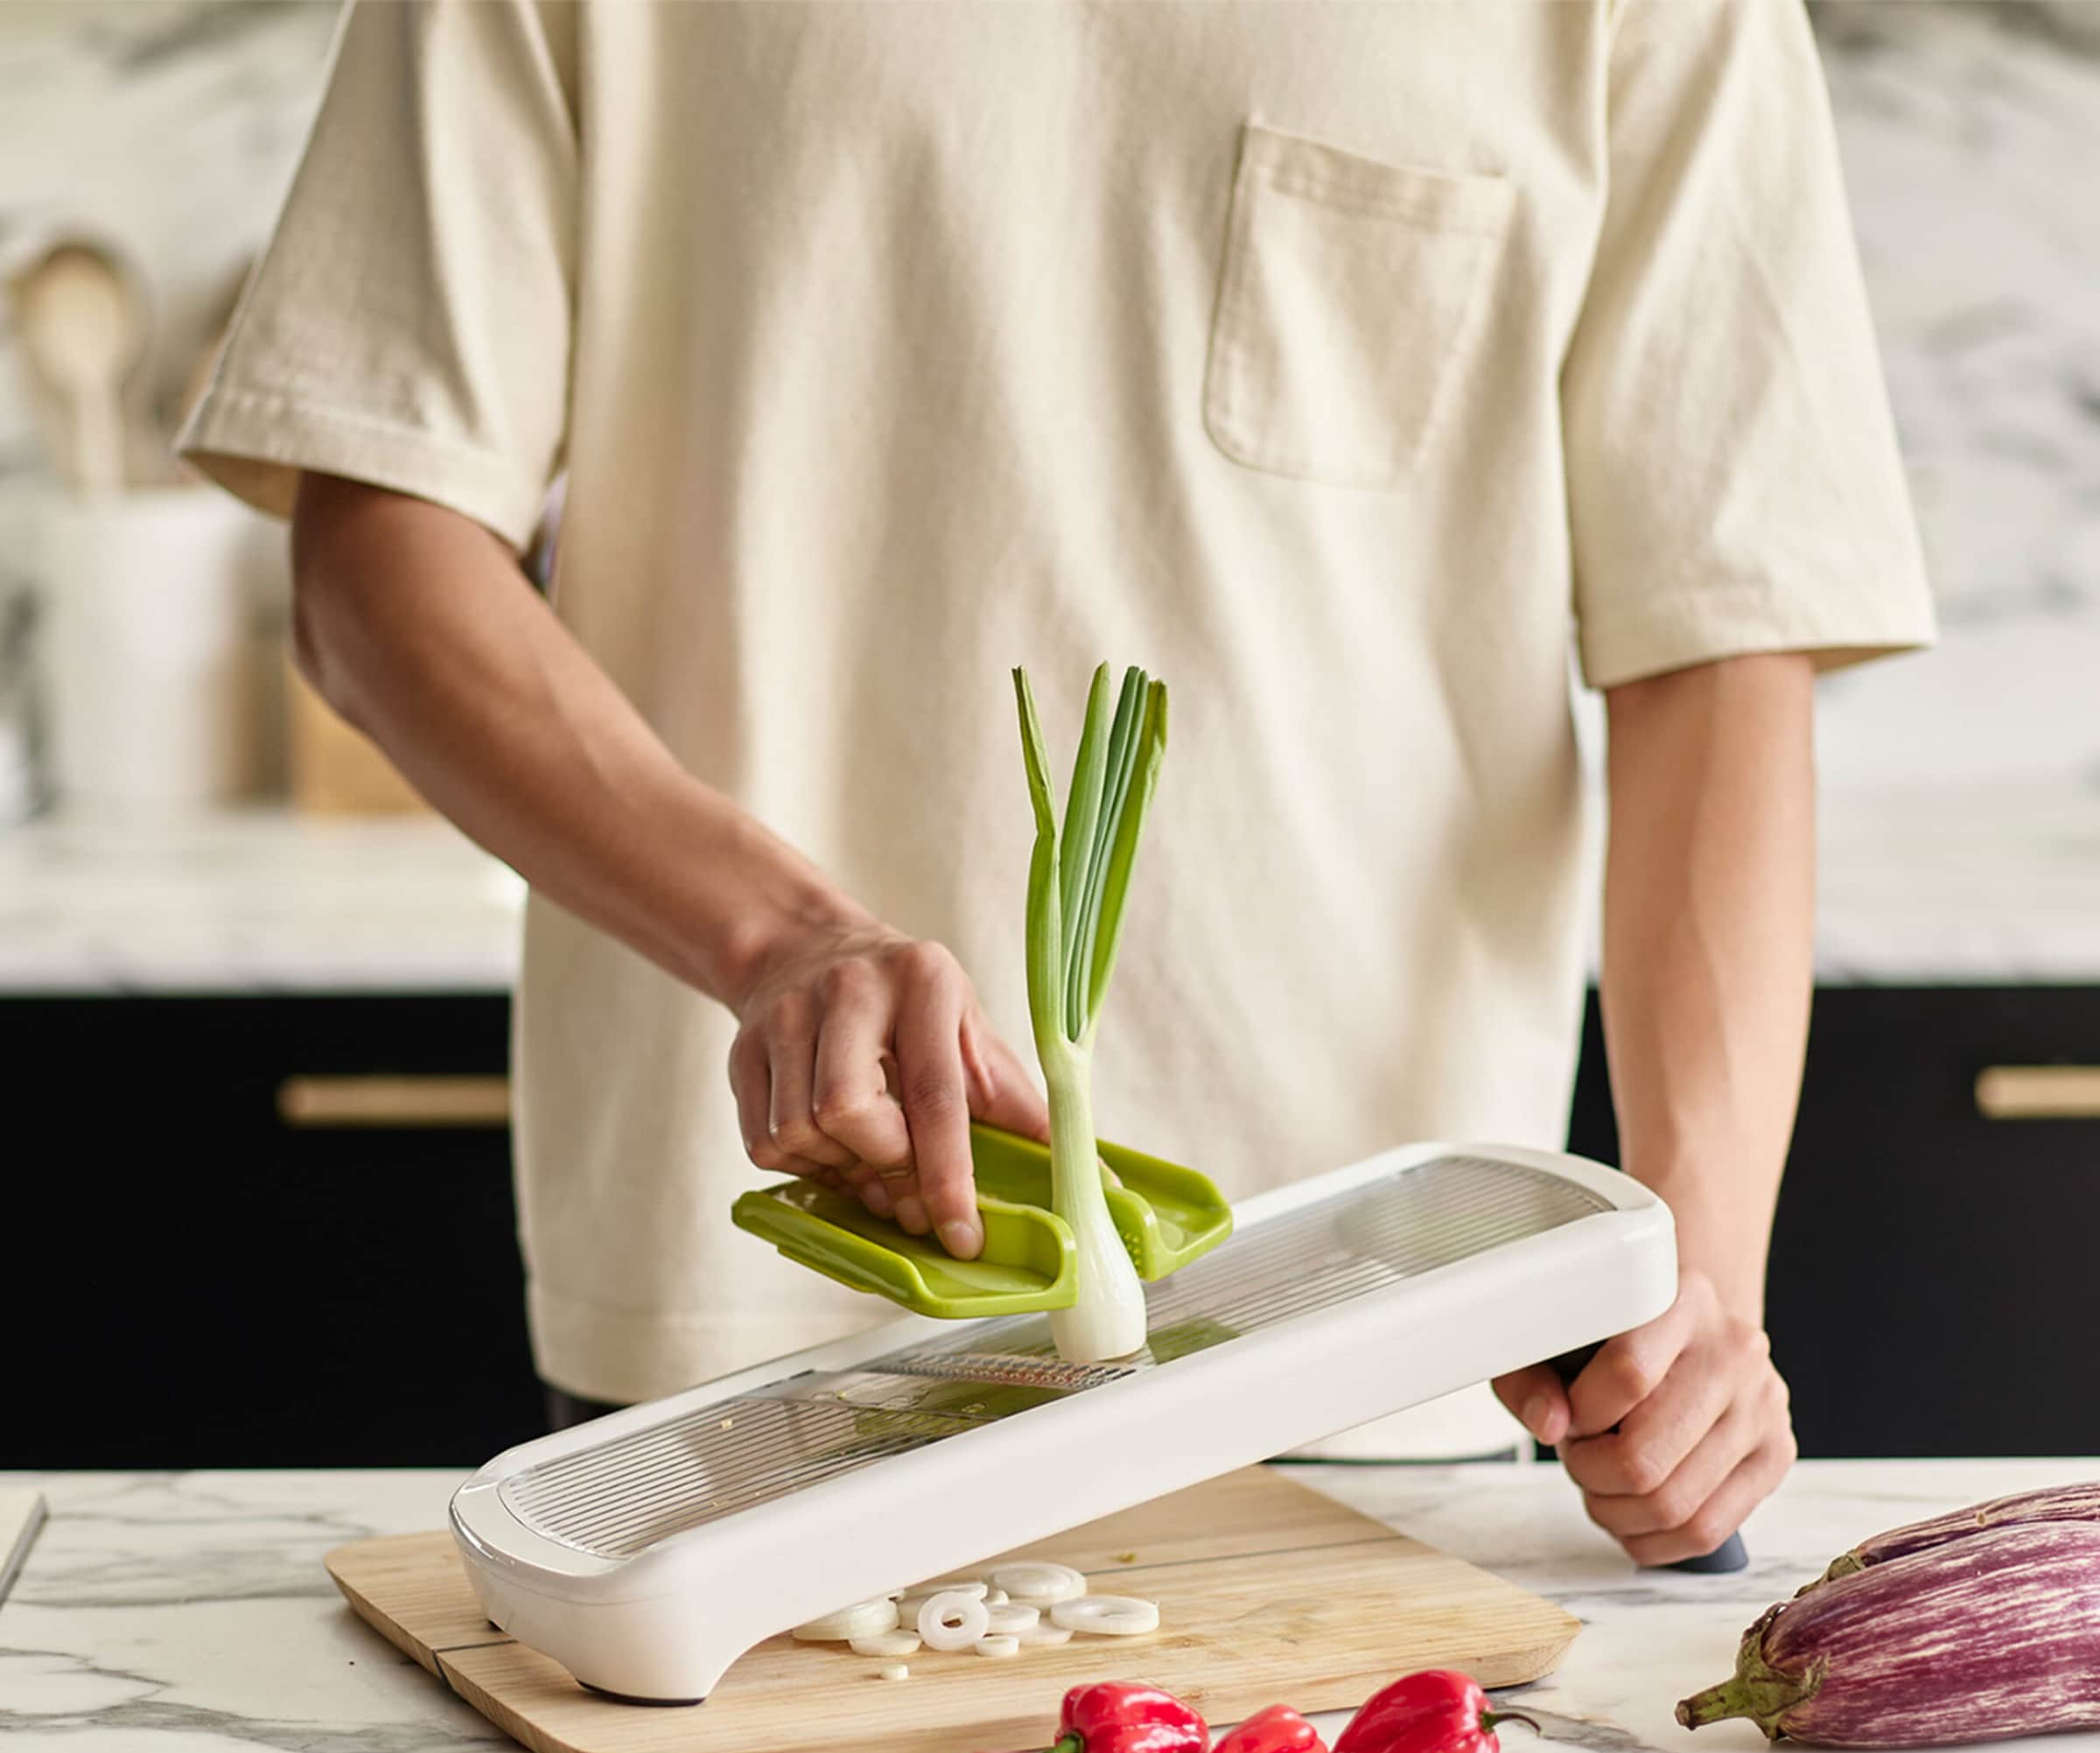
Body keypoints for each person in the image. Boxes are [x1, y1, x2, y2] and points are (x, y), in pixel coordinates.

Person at [182, 0, 1932, 1565]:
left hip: (1388, 1365)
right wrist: (776, 936)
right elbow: (376, 557)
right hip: (745, 1355)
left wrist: (1685, 1288)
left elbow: (1717, 635)